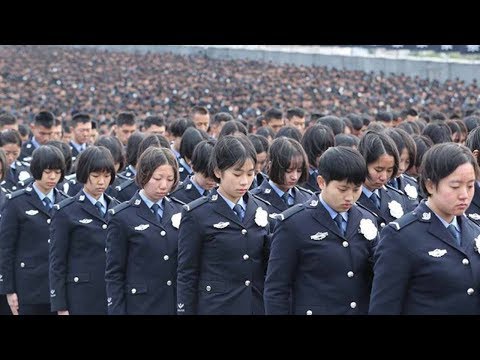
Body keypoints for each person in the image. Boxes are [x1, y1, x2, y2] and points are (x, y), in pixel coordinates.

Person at [264, 147, 379, 315]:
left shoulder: (366, 218)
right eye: (342, 189)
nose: (349, 197)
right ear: (321, 182)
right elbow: (277, 288)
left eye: (356, 189)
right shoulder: (294, 223)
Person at [369, 143, 480, 314]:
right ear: (430, 185)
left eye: (470, 185)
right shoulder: (401, 237)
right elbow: (385, 306)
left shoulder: (473, 230)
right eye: (455, 186)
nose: (464, 194)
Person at [177, 135, 271, 315]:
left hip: (255, 306)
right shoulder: (197, 214)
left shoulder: (261, 207)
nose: (244, 181)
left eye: (250, 174)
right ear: (218, 171)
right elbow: (187, 274)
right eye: (237, 174)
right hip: (217, 307)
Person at [105, 147, 183, 315]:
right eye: (157, 178)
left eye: (170, 179)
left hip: (174, 303)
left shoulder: (180, 211)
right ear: (144, 175)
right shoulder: (122, 216)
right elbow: (115, 273)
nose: (164, 185)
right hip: (141, 305)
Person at [49, 146, 119, 315]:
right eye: (95, 176)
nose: (101, 182)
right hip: (81, 297)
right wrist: (60, 306)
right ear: (83, 174)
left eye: (107, 176)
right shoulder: (66, 211)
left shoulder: (117, 208)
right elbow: (57, 262)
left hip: (113, 295)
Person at [0, 145, 67, 315]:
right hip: (27, 288)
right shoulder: (16, 202)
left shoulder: (65, 203)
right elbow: (6, 249)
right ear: (37, 170)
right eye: (47, 171)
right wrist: (8, 290)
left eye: (57, 172)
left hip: (58, 289)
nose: (53, 177)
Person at [356, 131, 409, 229]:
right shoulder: (349, 199)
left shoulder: (396, 197)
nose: (384, 177)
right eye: (378, 170)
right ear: (363, 163)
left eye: (389, 170)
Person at [251, 137, 313, 220]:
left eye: (299, 171)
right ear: (271, 166)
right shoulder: (254, 200)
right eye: (288, 171)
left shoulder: (308, 198)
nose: (294, 177)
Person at [169, 140, 217, 204]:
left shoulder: (218, 193)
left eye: (216, 176)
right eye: (207, 176)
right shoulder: (177, 196)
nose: (213, 181)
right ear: (193, 167)